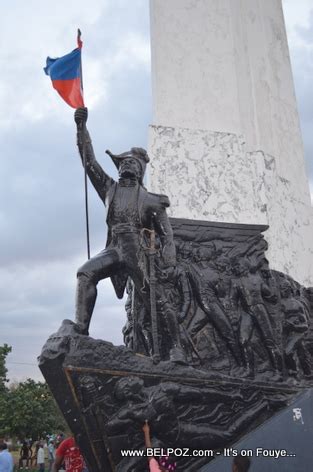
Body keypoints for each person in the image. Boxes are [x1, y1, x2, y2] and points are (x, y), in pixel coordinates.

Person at [74, 107, 176, 338]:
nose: (125, 165)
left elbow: (167, 235)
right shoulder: (109, 189)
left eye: (131, 163)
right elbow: (89, 161)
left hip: (136, 251)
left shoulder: (152, 200)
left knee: (156, 298)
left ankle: (177, 348)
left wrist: (169, 261)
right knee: (85, 273)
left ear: (140, 171)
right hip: (114, 248)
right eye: (123, 163)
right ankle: (81, 328)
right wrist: (81, 127)